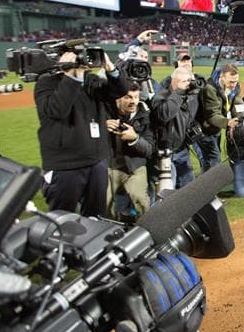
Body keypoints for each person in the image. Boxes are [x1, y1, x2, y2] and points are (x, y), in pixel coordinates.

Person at [34, 47, 129, 217]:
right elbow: (57, 110)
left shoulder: (91, 81)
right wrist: (70, 75)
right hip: (66, 165)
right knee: (62, 218)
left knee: (96, 216)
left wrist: (110, 67)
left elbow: (119, 90)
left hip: (97, 160)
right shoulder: (46, 83)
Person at [104, 83, 155, 220]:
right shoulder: (104, 112)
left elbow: (149, 149)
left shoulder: (145, 116)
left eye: (136, 97)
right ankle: (111, 228)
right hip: (109, 166)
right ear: (117, 99)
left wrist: (135, 139)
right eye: (128, 97)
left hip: (134, 166)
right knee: (104, 202)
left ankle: (147, 230)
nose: (133, 101)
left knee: (141, 200)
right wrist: (103, 126)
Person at [150, 67, 202, 189]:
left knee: (188, 187)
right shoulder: (161, 96)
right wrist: (178, 92)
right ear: (175, 82)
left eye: (190, 81)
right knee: (166, 192)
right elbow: (164, 115)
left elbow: (189, 117)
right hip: (163, 153)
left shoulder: (191, 98)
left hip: (182, 150)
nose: (189, 85)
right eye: (185, 81)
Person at [200, 63, 242, 171]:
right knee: (214, 158)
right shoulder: (210, 89)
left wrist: (243, 118)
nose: (234, 84)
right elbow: (211, 115)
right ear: (222, 77)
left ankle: (206, 182)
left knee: (210, 158)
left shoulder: (235, 87)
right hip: (204, 129)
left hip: (216, 128)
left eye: (236, 81)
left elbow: (237, 105)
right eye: (231, 81)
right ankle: (210, 183)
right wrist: (228, 122)